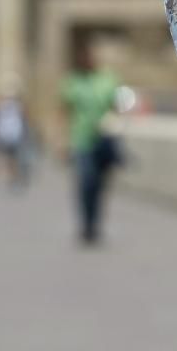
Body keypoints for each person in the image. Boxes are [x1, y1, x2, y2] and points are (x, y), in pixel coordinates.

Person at [61, 38, 121, 245]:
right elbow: (65, 112)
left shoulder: (107, 79)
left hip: (104, 140)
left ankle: (95, 223)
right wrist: (62, 141)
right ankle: (86, 223)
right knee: (86, 182)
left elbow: (116, 106)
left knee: (100, 185)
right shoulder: (72, 82)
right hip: (82, 140)